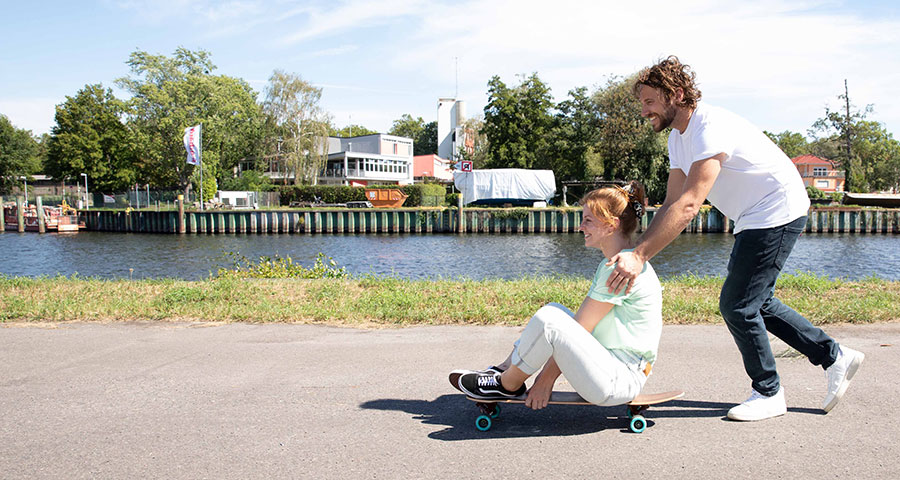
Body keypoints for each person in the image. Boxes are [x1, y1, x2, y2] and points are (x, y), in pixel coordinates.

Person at [607, 56, 864, 421]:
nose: (644, 110)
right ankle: (834, 356)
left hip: (777, 208)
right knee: (756, 302)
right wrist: (636, 251)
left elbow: (690, 204)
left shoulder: (709, 126)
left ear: (676, 95)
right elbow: (670, 203)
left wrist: (641, 257)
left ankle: (769, 391)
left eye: (650, 101)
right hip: (754, 216)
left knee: (737, 304)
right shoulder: (678, 140)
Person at [454, 183, 662, 410]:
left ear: (611, 225)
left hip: (619, 379)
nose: (581, 227)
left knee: (550, 321)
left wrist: (545, 380)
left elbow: (582, 328)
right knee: (555, 311)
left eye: (588, 221)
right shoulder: (624, 263)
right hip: (619, 370)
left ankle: (507, 384)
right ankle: (503, 370)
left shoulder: (617, 267)